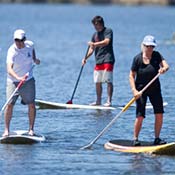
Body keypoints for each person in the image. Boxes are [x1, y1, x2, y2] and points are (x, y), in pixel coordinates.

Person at [129, 35, 169, 146]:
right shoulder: (137, 59)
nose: (150, 49)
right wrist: (134, 91)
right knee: (140, 115)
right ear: (143, 46)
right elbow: (131, 76)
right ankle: (135, 139)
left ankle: (157, 138)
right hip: (140, 90)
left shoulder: (157, 56)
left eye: (152, 46)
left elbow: (166, 66)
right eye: (148, 46)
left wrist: (163, 69)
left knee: (159, 113)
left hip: (155, 89)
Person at [2, 29, 40, 137]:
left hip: (28, 80)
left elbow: (32, 53)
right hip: (13, 81)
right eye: (16, 40)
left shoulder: (30, 45)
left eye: (20, 40)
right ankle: (6, 130)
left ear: (25, 39)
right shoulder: (11, 51)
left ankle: (31, 129)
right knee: (9, 105)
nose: (18, 43)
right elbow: (9, 69)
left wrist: (35, 59)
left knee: (31, 104)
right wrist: (18, 78)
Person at [82, 16, 115, 107]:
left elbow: (106, 41)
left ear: (100, 23)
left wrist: (94, 44)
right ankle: (98, 101)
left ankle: (109, 101)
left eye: (96, 24)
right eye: (94, 25)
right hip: (98, 60)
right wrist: (85, 58)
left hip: (108, 59)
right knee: (97, 81)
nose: (95, 27)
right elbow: (92, 49)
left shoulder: (108, 31)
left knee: (108, 80)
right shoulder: (94, 35)